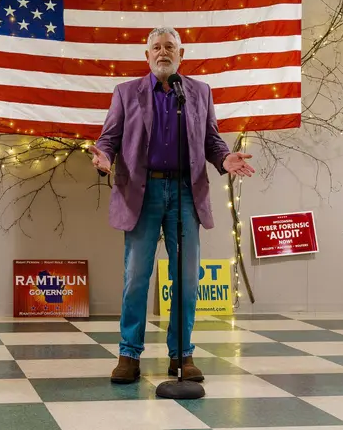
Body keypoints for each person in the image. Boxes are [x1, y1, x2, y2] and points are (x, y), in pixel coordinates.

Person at [89, 26, 256, 384]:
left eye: (169, 47)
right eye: (156, 48)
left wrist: (224, 158)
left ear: (182, 55)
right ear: (146, 55)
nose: (162, 52)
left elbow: (211, 139)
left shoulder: (198, 92)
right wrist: (103, 156)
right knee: (136, 277)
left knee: (187, 278)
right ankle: (128, 355)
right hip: (142, 192)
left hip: (184, 192)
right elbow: (109, 137)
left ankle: (182, 354)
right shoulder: (125, 93)